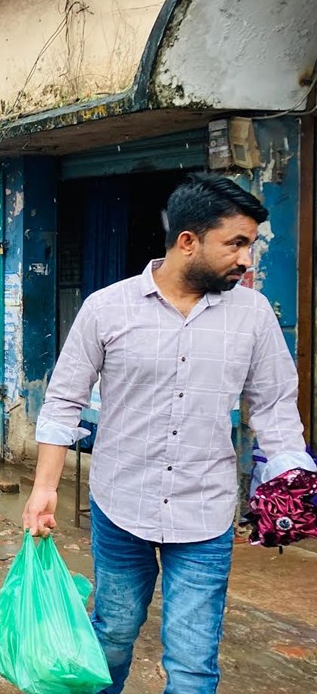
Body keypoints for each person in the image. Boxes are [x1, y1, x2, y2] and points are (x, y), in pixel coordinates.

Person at [23, 173, 307, 694]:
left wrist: (292, 474)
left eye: (252, 245)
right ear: (188, 241)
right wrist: (44, 488)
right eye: (237, 244)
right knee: (112, 635)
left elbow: (272, 404)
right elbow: (62, 400)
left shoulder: (254, 315)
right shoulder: (106, 308)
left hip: (206, 512)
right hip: (121, 504)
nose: (247, 260)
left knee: (194, 662)